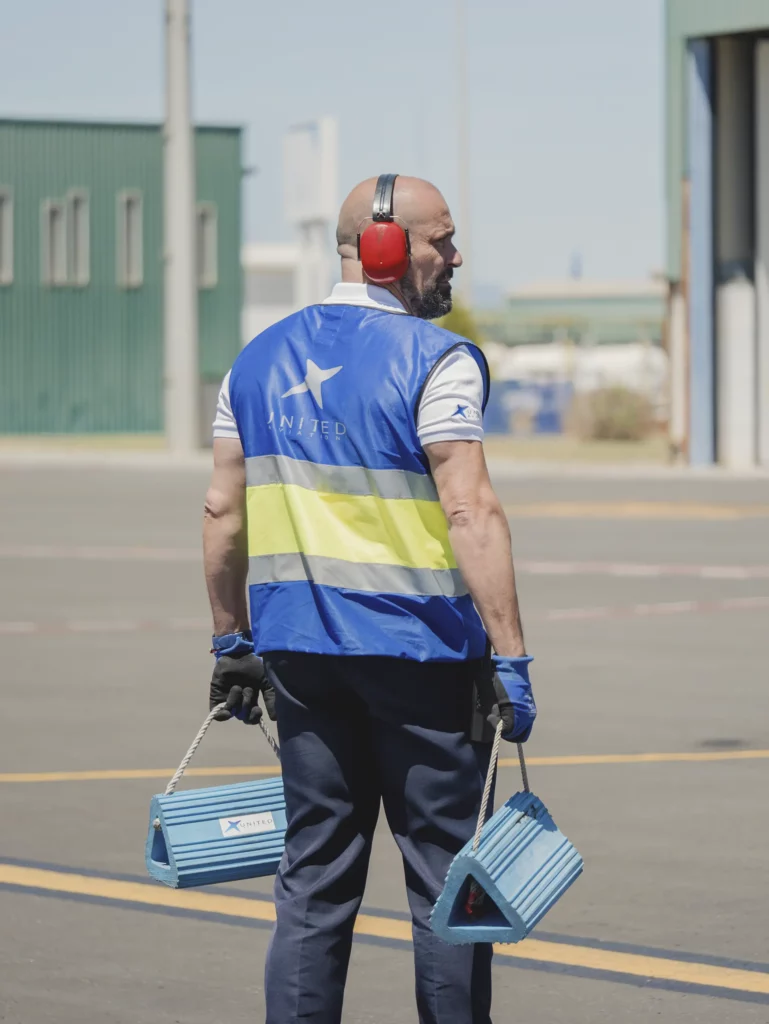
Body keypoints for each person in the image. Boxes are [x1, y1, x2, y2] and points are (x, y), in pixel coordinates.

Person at [203, 174, 536, 1024]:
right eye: (442, 241)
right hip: (420, 662)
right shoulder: (438, 359)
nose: (454, 257)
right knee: (446, 889)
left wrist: (229, 640)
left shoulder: (255, 359)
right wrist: (511, 655)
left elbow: (221, 511)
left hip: (301, 662)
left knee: (312, 884)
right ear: (386, 249)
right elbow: (470, 510)